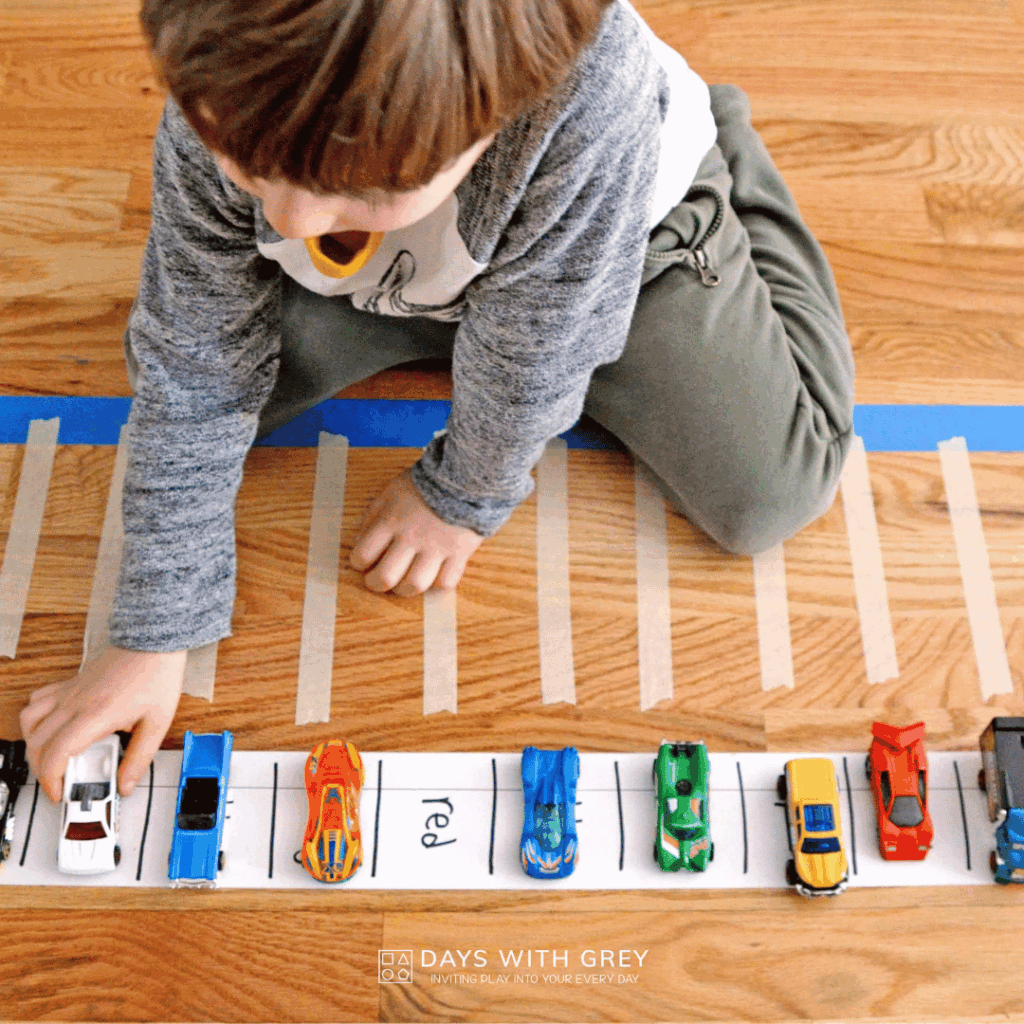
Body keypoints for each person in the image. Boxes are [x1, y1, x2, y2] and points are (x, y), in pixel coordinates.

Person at [20, 0, 854, 803]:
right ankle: (410, 261)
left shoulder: (594, 99)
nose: (287, 214)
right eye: (245, 159)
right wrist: (153, 627)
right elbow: (195, 359)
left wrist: (461, 498)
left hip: (619, 243)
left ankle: (729, 153)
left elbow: (535, 360)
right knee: (200, 409)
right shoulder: (237, 55)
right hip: (392, 276)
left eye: (366, 186)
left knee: (772, 491)